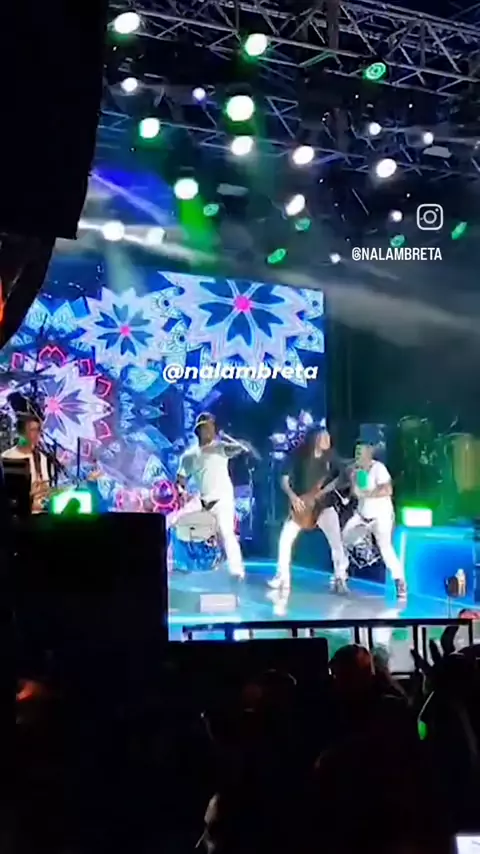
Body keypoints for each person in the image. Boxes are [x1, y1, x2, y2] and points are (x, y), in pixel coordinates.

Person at [270, 428, 350, 593]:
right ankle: (282, 577)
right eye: (324, 437)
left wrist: (323, 491)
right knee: (285, 540)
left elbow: (340, 478)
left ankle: (340, 578)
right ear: (315, 439)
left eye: (328, 437)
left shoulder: (332, 457)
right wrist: (293, 497)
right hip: (303, 505)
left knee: (336, 542)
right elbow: (284, 479)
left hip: (324, 505)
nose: (327, 440)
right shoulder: (299, 456)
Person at [175, 413, 247, 579]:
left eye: (212, 427)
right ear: (199, 430)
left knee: (226, 533)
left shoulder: (220, 448)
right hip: (203, 502)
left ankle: (237, 571)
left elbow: (235, 449)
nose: (210, 431)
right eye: (207, 427)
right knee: (179, 524)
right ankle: (185, 565)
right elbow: (180, 480)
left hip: (223, 500)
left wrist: (239, 445)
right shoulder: (189, 456)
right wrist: (182, 492)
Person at [344, 442, 406, 600]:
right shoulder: (356, 471)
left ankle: (400, 581)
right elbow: (355, 493)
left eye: (360, 452)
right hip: (362, 515)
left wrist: (367, 494)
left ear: (368, 454)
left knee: (385, 548)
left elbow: (387, 489)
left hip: (381, 516)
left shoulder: (379, 468)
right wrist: (353, 481)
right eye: (356, 452)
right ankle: (341, 575)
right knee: (344, 538)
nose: (357, 455)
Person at [2, 415, 50, 513]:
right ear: (21, 433)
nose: (36, 435)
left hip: (37, 513)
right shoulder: (6, 457)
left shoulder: (40, 457)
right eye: (32, 430)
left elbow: (45, 488)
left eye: (38, 430)